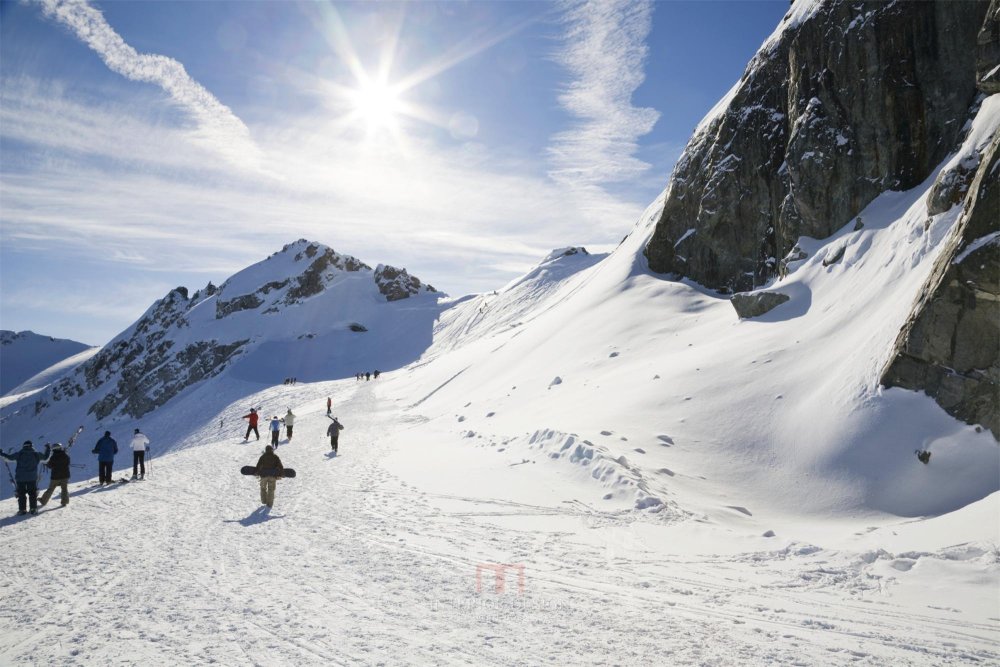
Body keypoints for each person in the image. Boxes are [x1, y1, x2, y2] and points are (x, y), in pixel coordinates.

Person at [1, 441, 50, 514]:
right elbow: (46, 459)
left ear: (24, 446)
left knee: (21, 494)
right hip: (32, 478)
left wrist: (1, 453)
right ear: (31, 446)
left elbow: (8, 458)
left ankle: (22, 510)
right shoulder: (36, 454)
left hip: (20, 478)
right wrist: (48, 449)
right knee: (32, 494)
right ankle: (33, 509)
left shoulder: (19, 454)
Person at [39, 443, 70, 508]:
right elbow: (68, 462)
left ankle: (43, 501)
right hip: (65, 475)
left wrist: (46, 463)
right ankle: (64, 502)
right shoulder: (65, 455)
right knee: (64, 489)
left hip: (55, 476)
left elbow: (50, 466)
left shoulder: (53, 457)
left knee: (50, 489)